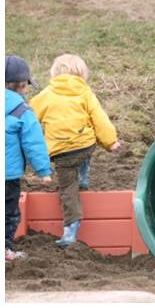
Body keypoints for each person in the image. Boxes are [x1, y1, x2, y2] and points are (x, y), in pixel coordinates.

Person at [29, 53, 121, 247]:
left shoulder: (45, 95)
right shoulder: (85, 93)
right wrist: (110, 142)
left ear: (54, 74)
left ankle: (70, 231)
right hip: (85, 146)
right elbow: (100, 119)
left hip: (61, 153)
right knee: (86, 143)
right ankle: (84, 176)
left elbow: (30, 118)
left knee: (68, 191)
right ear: (82, 74)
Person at [5, 55, 53, 262]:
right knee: (8, 213)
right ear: (21, 85)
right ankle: (5, 250)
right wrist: (43, 171)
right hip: (7, 176)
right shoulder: (21, 110)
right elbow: (34, 143)